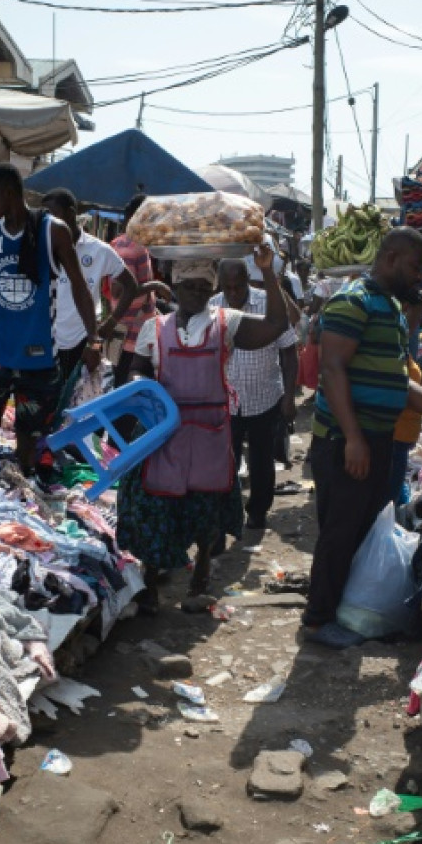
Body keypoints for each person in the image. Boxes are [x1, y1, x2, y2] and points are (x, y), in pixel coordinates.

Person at [305, 228, 422, 641]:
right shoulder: (353, 301)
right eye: (415, 266)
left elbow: (400, 383)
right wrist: (353, 437)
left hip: (378, 439)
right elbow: (331, 370)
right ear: (391, 258)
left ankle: (346, 610)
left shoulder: (390, 309)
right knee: (341, 529)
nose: (420, 276)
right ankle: (318, 619)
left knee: (365, 528)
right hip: (346, 438)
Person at [117, 243, 296, 608]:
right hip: (164, 434)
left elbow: (277, 325)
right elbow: (135, 369)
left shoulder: (225, 323)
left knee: (205, 508)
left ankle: (201, 571)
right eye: (191, 286)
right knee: (155, 507)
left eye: (204, 286)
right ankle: (151, 583)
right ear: (176, 287)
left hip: (210, 432)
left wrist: (268, 273)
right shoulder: (155, 328)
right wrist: (139, 386)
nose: (198, 293)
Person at [0, 164, 97, 474]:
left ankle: (20, 499)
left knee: (28, 444)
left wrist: (94, 339)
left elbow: (81, 289)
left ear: (10, 193)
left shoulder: (53, 231)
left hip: (39, 361)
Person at [209, 258, 299, 532]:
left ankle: (258, 511)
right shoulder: (213, 306)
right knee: (225, 463)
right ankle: (225, 516)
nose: (234, 293)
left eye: (239, 286)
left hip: (265, 397)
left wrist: (288, 397)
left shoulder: (268, 303)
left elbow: (289, 351)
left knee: (262, 462)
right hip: (226, 401)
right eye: (228, 287)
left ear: (249, 280)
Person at [39, 188, 141, 397]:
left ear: (70, 213)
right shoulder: (42, 248)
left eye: (53, 214)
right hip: (46, 340)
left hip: (81, 344)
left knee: (78, 405)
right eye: (44, 216)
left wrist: (109, 325)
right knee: (46, 404)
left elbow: (131, 286)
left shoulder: (98, 250)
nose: (48, 222)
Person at [106, 194, 173, 375]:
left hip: (136, 334)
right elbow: (119, 291)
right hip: (130, 338)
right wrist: (156, 285)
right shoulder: (128, 248)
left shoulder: (136, 245)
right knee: (127, 390)